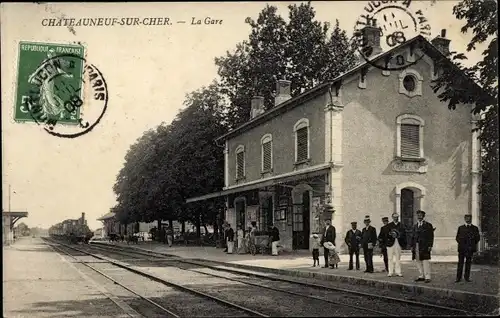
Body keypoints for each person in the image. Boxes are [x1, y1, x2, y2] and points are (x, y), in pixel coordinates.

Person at [455, 213, 480, 283]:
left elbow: (477, 238)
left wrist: (471, 244)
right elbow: (457, 238)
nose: (468, 219)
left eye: (469, 218)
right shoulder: (460, 228)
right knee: (460, 263)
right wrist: (462, 243)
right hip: (462, 249)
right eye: (466, 218)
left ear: (471, 219)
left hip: (470, 249)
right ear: (464, 219)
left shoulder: (475, 228)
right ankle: (458, 278)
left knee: (468, 263)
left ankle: (467, 277)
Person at [411, 210, 435, 283]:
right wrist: (412, 246)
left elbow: (431, 236)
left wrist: (430, 245)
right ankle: (421, 275)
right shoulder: (415, 226)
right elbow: (412, 237)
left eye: (421, 215)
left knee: (425, 261)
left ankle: (427, 277)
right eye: (418, 215)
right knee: (418, 261)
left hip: (425, 245)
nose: (419, 216)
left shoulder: (428, 225)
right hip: (417, 245)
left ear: (423, 216)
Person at [384, 213, 406, 277]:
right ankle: (390, 272)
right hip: (390, 243)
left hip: (398, 243)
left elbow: (404, 234)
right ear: (392, 217)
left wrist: (400, 236)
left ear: (398, 217)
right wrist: (390, 234)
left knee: (398, 258)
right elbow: (386, 234)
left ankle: (398, 272)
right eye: (394, 217)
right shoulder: (389, 225)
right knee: (390, 258)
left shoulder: (401, 225)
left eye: (397, 217)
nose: (395, 218)